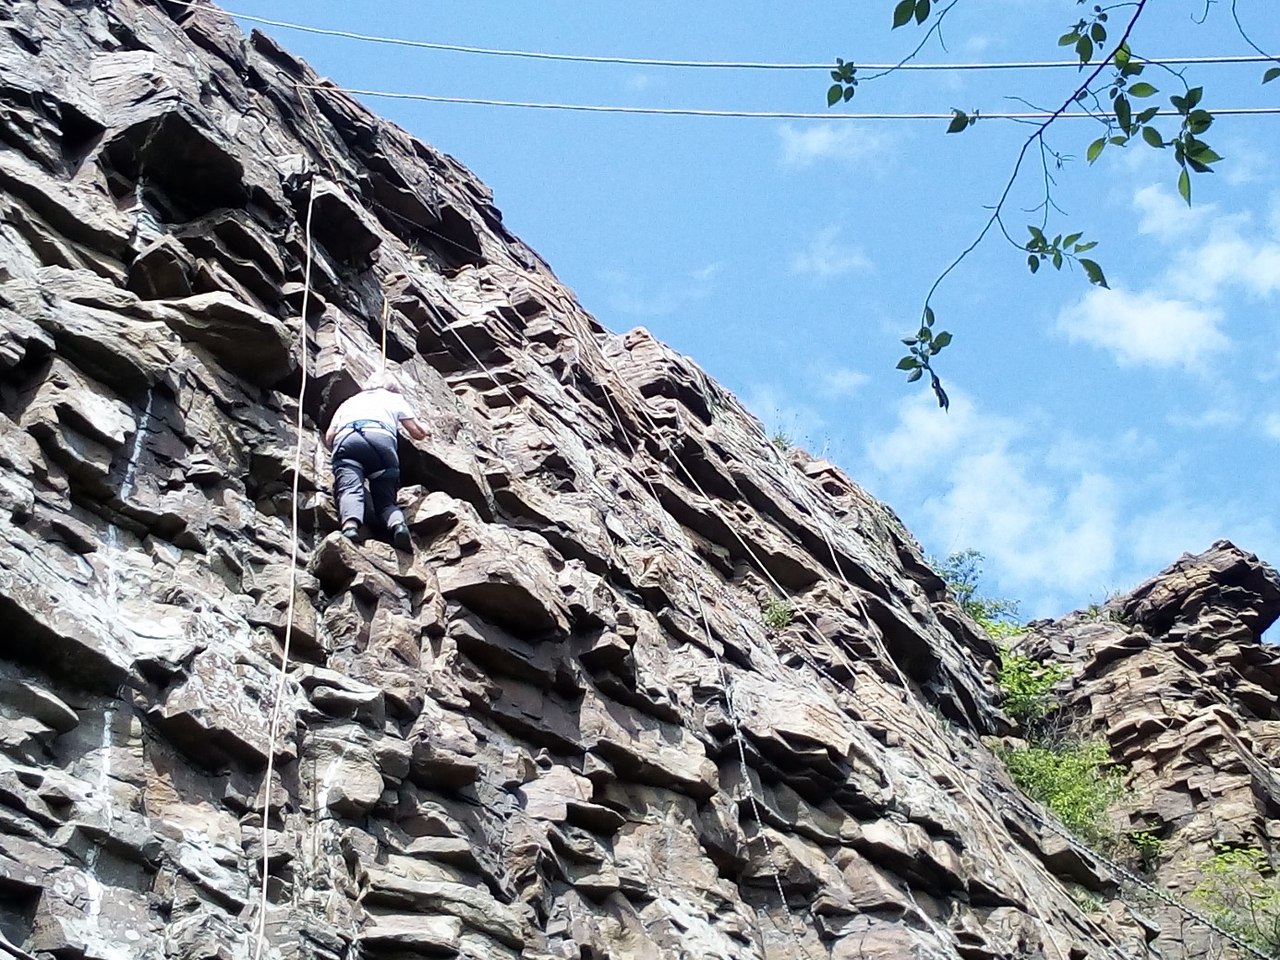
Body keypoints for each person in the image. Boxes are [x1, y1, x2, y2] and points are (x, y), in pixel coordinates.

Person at [324, 372, 428, 550]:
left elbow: (329, 437)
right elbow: (417, 432)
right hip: (381, 443)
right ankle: (397, 525)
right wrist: (427, 429)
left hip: (347, 440)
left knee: (349, 488)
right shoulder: (394, 399)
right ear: (393, 389)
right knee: (385, 500)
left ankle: (350, 527)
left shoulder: (349, 401)